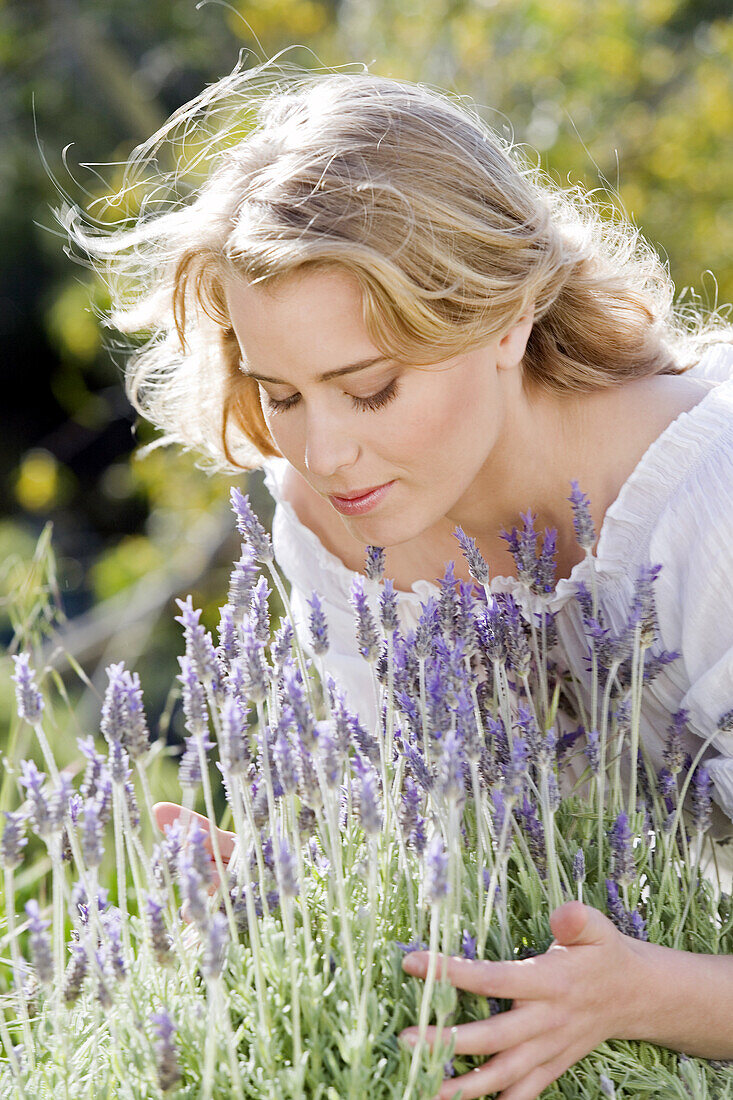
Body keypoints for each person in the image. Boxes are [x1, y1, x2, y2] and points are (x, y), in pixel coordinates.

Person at [63, 59, 733, 1100]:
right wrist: (296, 896)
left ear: (507, 317)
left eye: (368, 388)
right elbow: (446, 871)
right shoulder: (334, 515)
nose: (324, 453)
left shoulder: (710, 508)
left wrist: (641, 992)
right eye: (279, 391)